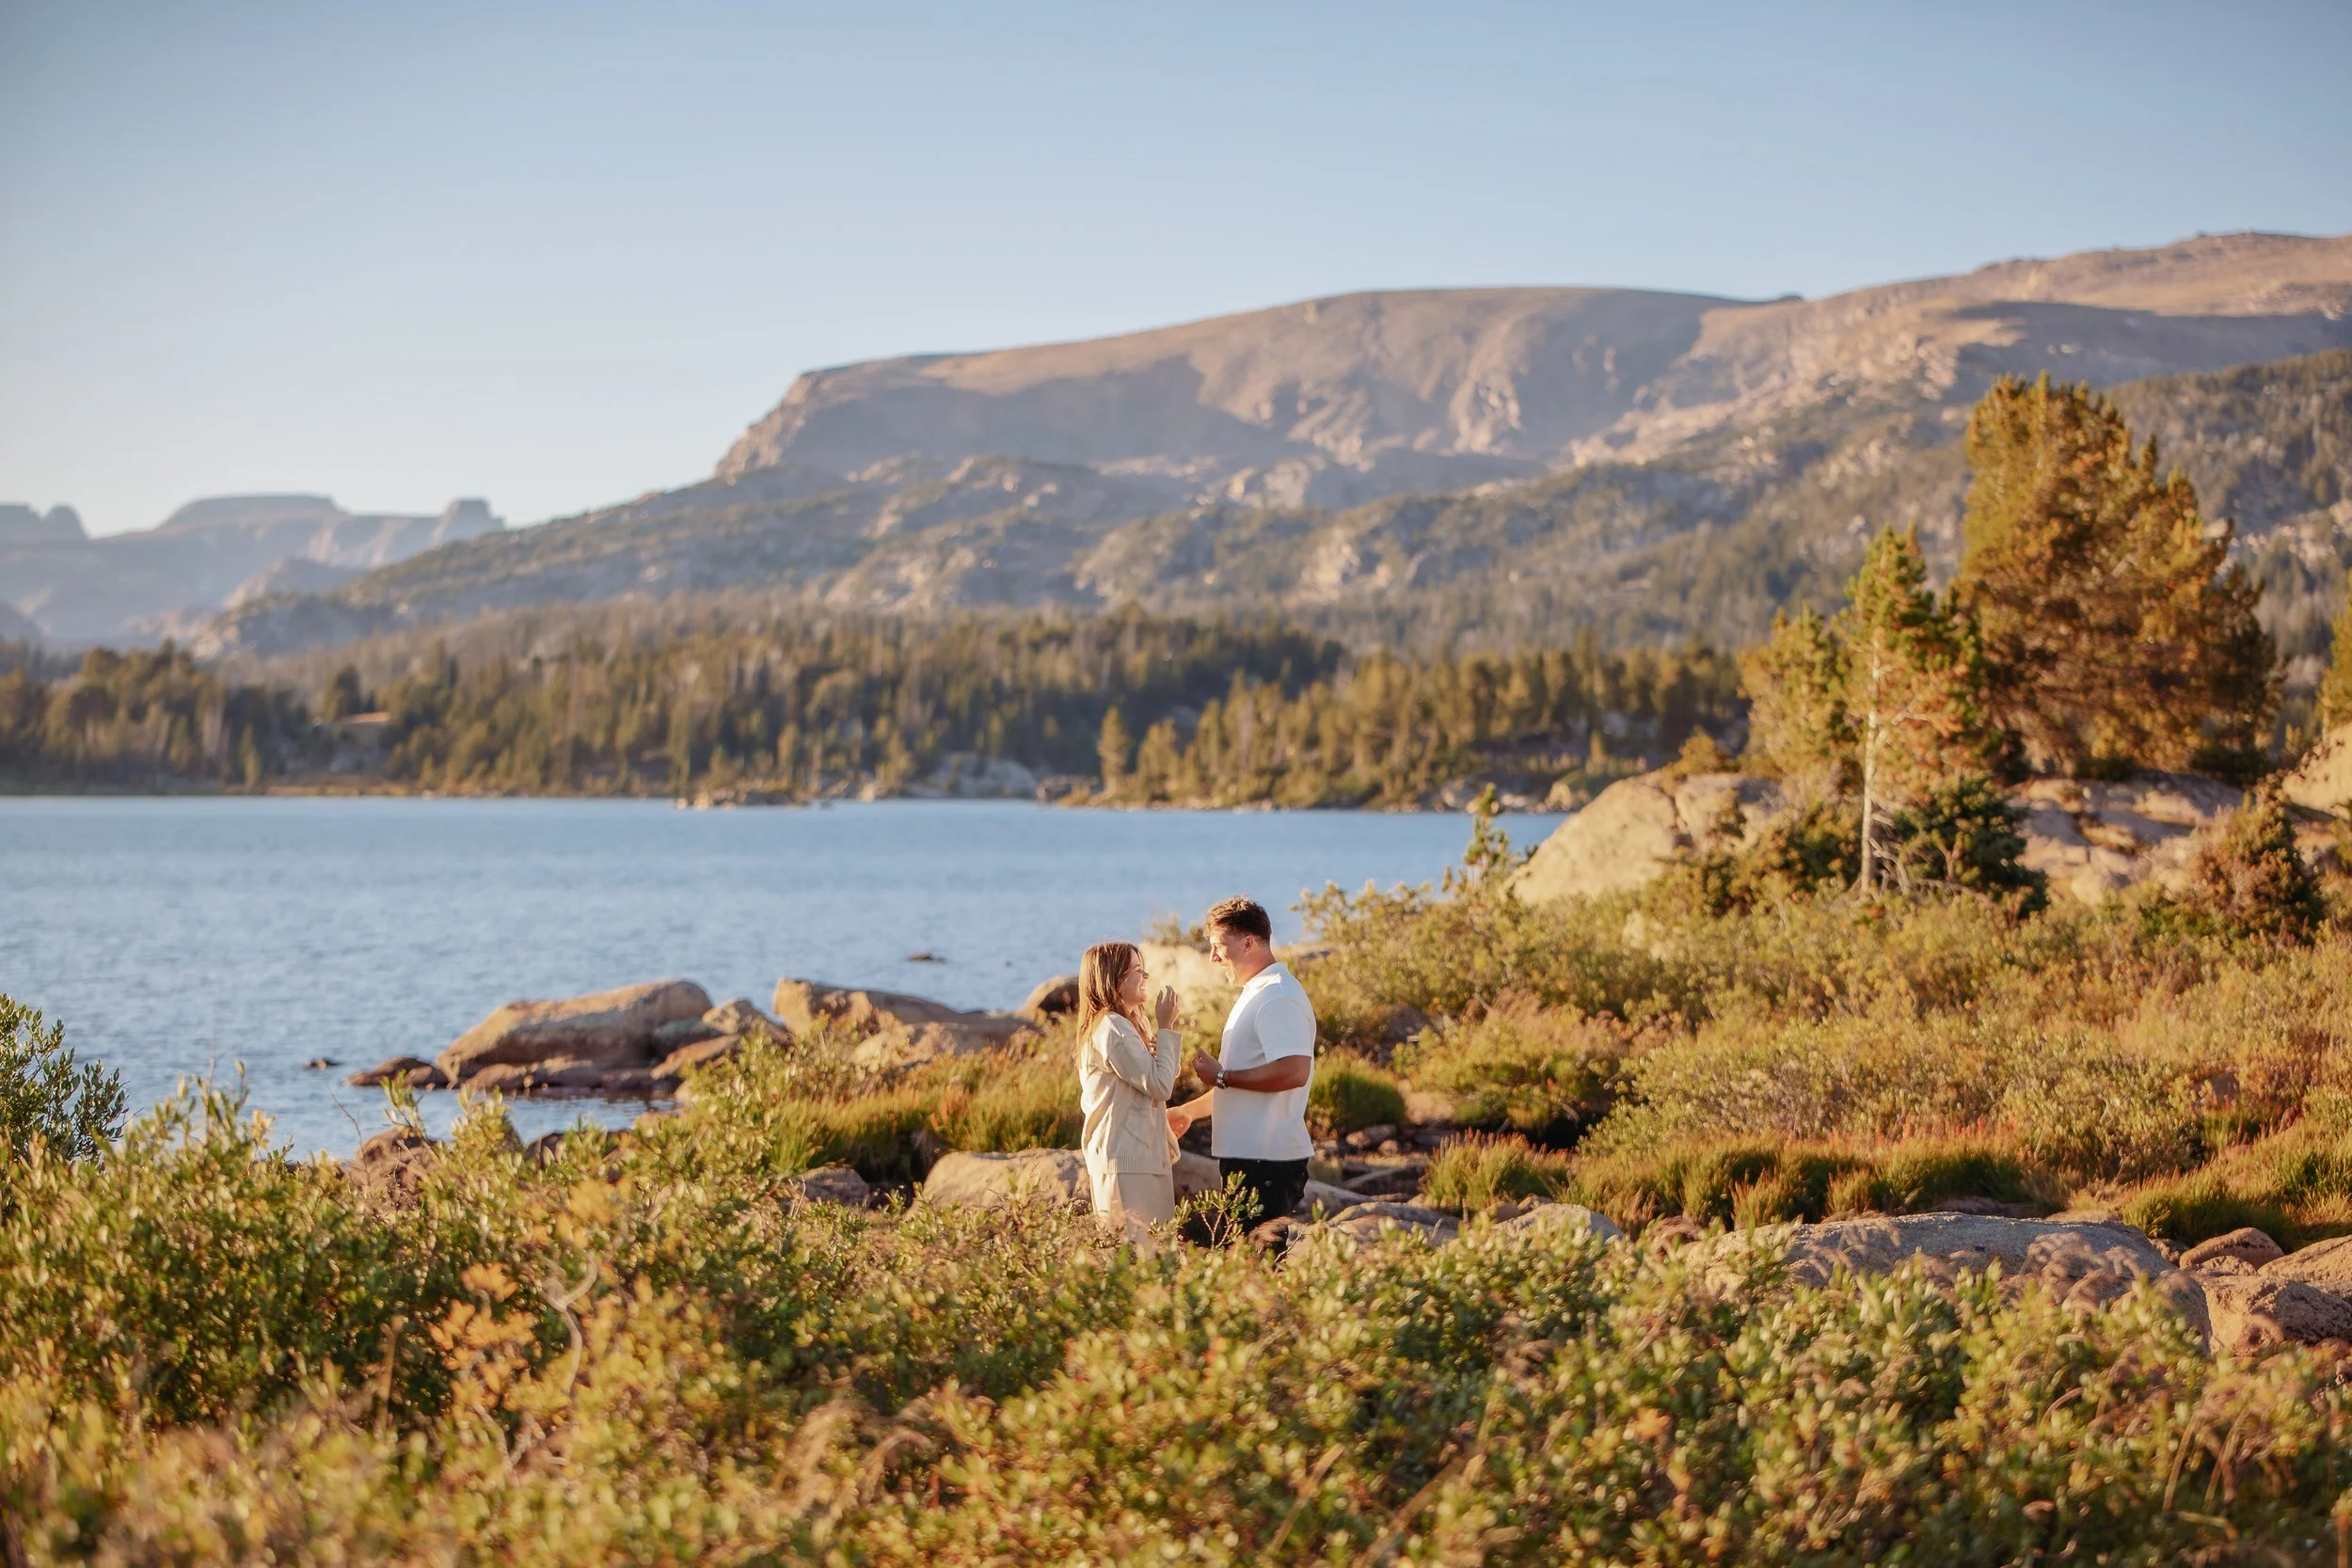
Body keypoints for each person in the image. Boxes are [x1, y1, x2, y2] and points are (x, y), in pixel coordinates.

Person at [1170, 895, 1316, 1231]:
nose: (1213, 957)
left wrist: (1221, 1075)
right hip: (1252, 1160)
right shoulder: (1258, 991)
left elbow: (1295, 1071)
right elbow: (1242, 1083)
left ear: (1249, 943)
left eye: (1219, 946)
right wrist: (1189, 1111)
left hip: (1267, 1162)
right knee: (1249, 1268)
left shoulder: (1278, 995)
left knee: (1257, 1271)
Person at [1074, 940, 1182, 1246]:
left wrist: (1159, 1036)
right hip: (1127, 1163)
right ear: (1114, 979)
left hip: (1137, 1158)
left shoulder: (1131, 1024)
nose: (1145, 975)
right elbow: (1161, 1086)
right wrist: (1168, 1024)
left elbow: (1160, 1078)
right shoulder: (1113, 1029)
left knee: (1153, 1262)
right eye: (1136, 970)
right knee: (1140, 1262)